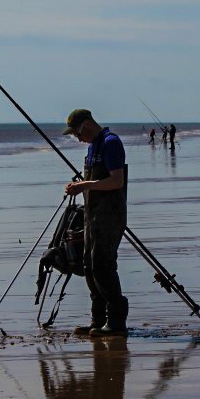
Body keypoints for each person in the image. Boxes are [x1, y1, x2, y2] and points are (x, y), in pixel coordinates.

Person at [63, 109, 129, 337]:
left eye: (77, 133)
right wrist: (79, 187)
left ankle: (116, 321)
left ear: (88, 124)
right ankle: (98, 319)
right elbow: (94, 182)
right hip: (92, 215)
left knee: (103, 266)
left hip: (110, 215)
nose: (77, 138)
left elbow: (116, 181)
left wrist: (85, 186)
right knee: (89, 267)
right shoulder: (93, 147)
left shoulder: (111, 143)